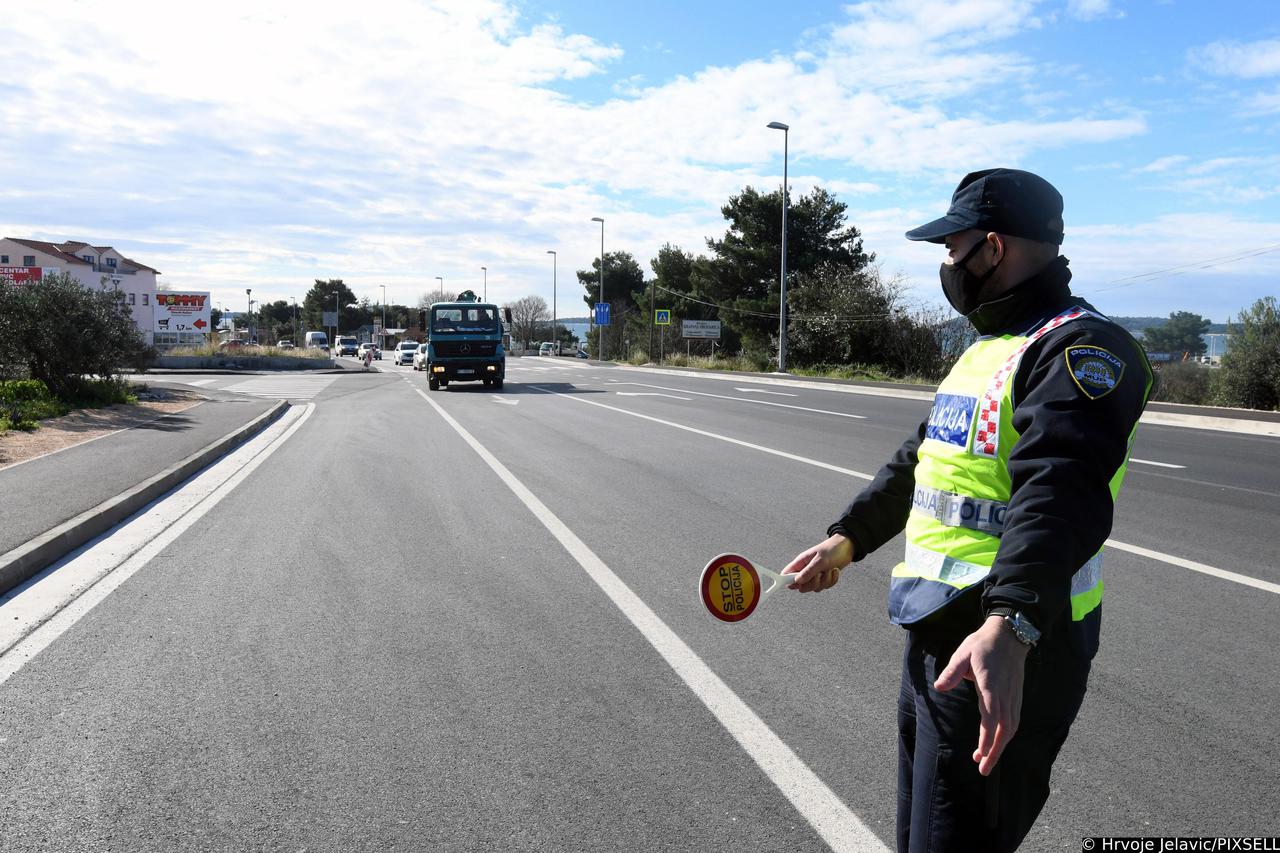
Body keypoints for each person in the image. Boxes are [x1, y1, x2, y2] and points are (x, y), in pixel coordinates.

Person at [784, 168, 1153, 852]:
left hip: (1007, 644)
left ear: (993, 248)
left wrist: (1011, 622)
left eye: (952, 250)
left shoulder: (1083, 348)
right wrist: (849, 539)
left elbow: (1059, 490)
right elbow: (925, 458)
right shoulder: (990, 346)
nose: (948, 267)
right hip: (939, 626)